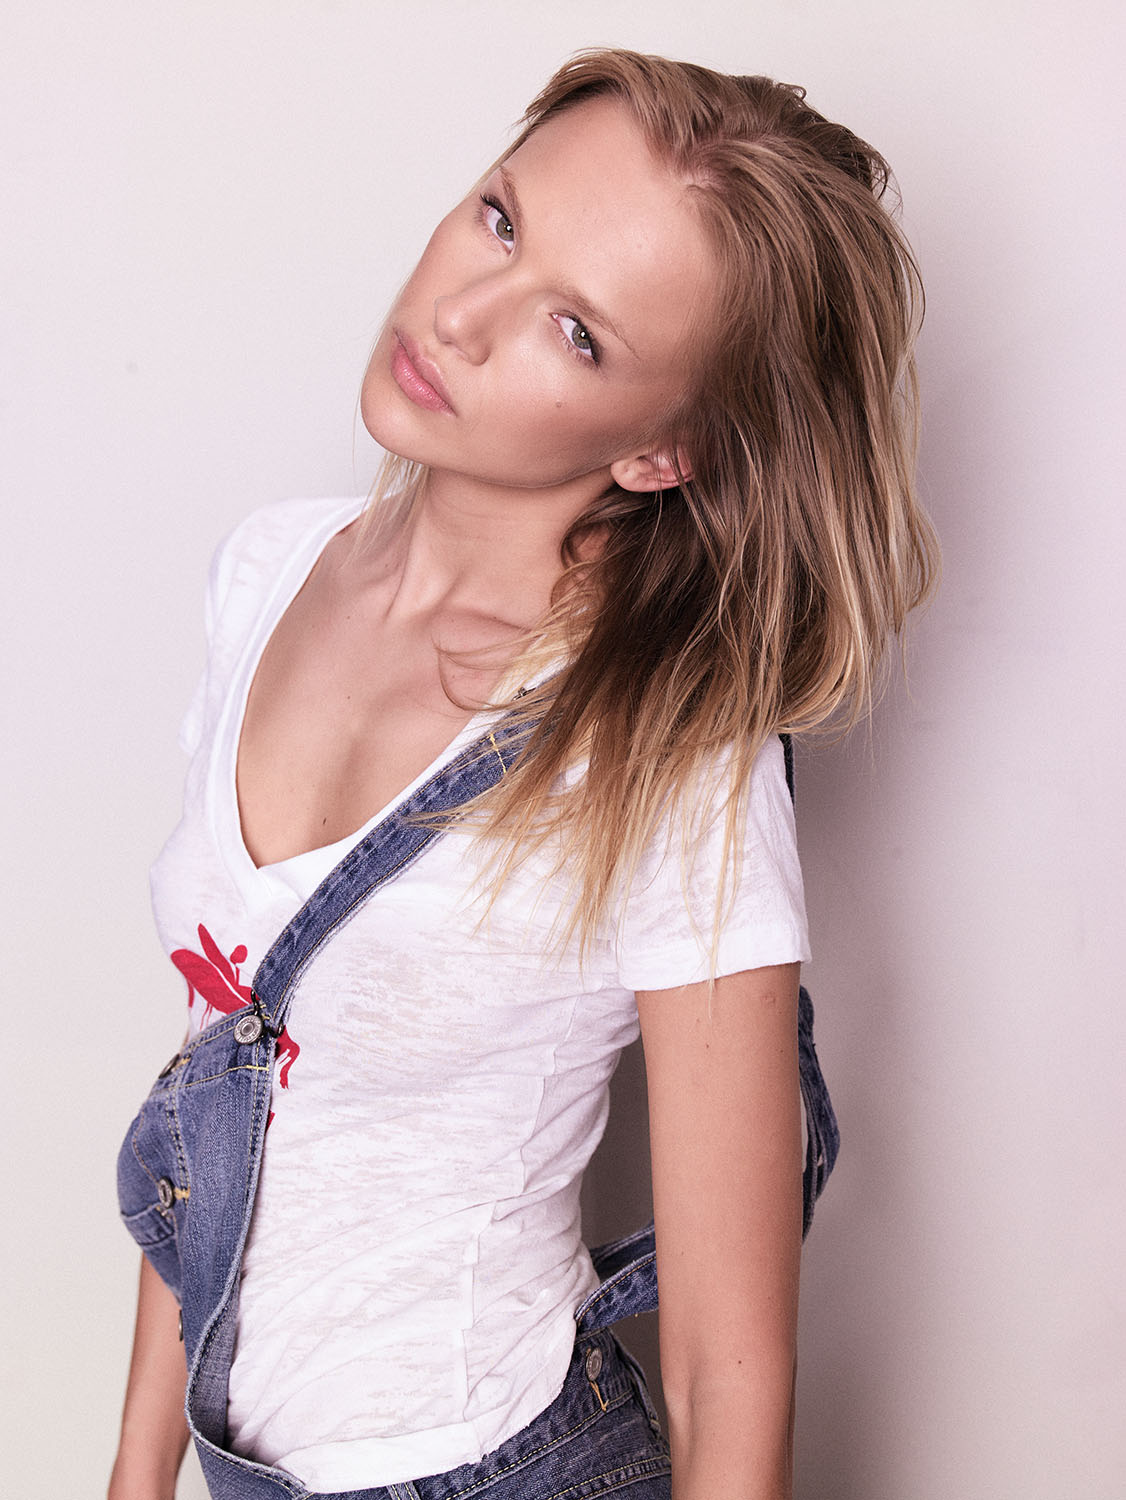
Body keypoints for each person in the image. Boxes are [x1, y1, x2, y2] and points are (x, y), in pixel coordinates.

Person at [109, 48, 936, 1500]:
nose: (461, 315)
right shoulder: (266, 572)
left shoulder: (668, 750)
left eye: (575, 332)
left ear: (664, 451)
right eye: (500, 218)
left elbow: (729, 1370)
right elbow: (222, 1090)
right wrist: (136, 1473)